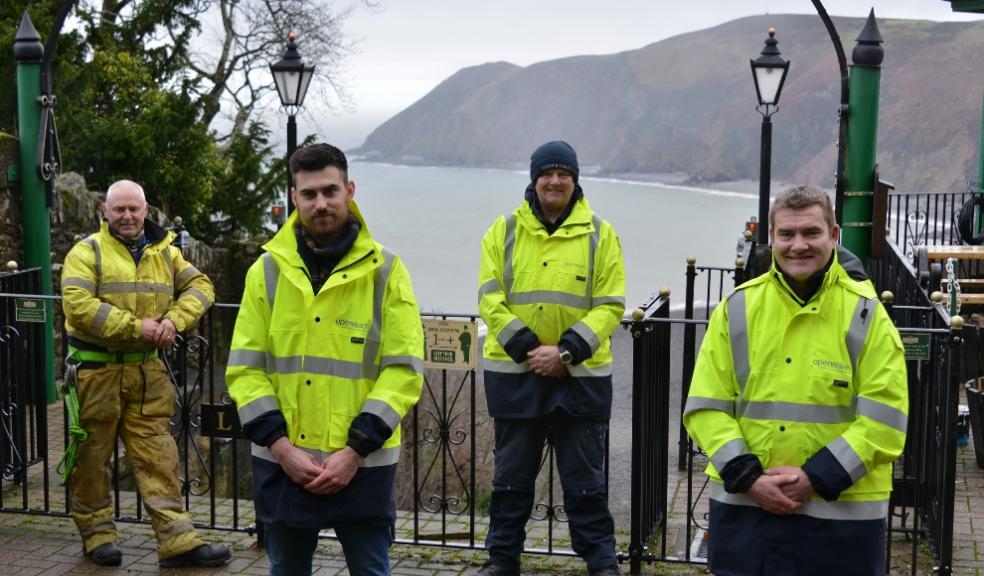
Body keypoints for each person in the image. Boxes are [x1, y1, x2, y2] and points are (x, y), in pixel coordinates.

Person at [683, 185, 908, 575]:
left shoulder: (867, 316)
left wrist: (815, 479)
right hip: (746, 513)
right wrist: (749, 478)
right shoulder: (736, 309)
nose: (797, 245)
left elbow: (884, 422)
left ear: (834, 236)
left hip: (843, 521)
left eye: (811, 233)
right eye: (786, 234)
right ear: (772, 238)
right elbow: (706, 407)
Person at [226, 143, 424, 576]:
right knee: (286, 569)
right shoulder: (266, 272)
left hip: (364, 463)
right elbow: (245, 368)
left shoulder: (387, 271)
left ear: (350, 190)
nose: (321, 204)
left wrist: (353, 452)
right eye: (310, 194)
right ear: (294, 197)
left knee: (371, 570)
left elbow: (403, 369)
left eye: (330, 191)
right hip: (283, 462)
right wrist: (282, 449)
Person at [61, 180, 230, 567]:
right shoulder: (86, 252)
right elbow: (78, 306)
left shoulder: (165, 253)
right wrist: (139, 329)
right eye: (118, 209)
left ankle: (178, 543)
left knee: (159, 457)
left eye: (133, 208)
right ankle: (97, 536)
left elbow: (201, 287)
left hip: (147, 373)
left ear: (145, 209)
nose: (126, 216)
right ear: (104, 211)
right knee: (91, 458)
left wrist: (174, 321)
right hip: (95, 373)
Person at [477, 141, 626, 576]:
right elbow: (489, 298)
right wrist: (530, 349)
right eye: (548, 173)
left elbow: (611, 303)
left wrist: (565, 352)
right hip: (516, 376)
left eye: (564, 173)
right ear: (534, 178)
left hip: (579, 377)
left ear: (575, 180)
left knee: (585, 485)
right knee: (510, 482)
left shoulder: (602, 234)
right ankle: (502, 561)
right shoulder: (502, 231)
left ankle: (601, 563)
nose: (556, 181)